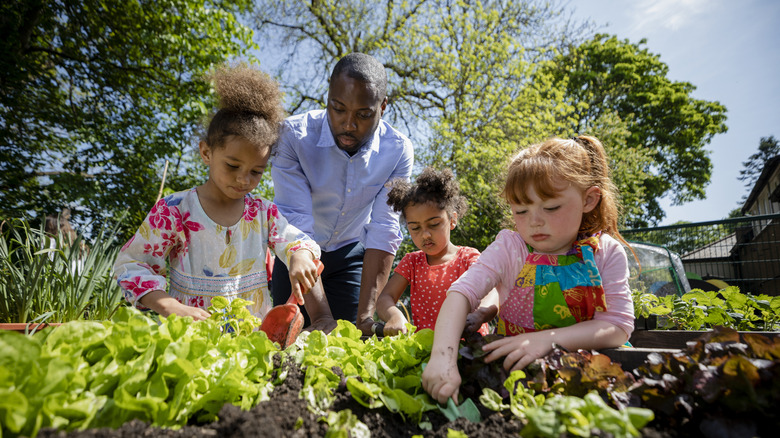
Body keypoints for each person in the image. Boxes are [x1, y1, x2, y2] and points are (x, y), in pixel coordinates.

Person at [422, 135, 635, 404]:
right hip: (517, 379)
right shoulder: (510, 248)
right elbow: (461, 293)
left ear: (589, 200)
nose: (534, 222)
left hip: (589, 379)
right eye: (521, 211)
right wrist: (443, 357)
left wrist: (547, 340)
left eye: (551, 207)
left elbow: (617, 326)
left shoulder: (605, 252)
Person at [114, 63, 323, 321]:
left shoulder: (263, 213)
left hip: (251, 344)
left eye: (256, 171)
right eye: (232, 165)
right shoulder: (173, 210)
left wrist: (299, 255)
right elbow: (132, 265)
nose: (243, 179)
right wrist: (171, 307)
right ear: (206, 152)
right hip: (190, 342)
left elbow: (295, 240)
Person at [271, 52, 414, 335]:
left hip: (351, 256)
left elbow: (384, 229)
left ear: (383, 107)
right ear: (328, 97)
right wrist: (321, 315)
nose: (349, 124)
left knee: (352, 339)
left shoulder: (398, 150)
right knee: (285, 345)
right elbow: (296, 221)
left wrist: (365, 318)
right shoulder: (292, 136)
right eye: (338, 109)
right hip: (296, 254)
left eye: (363, 115)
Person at [372, 167, 498, 336]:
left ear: (452, 220)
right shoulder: (412, 262)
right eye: (415, 228)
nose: (425, 234)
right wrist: (395, 316)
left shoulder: (468, 258)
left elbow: (492, 294)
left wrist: (479, 314)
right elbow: (384, 300)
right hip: (427, 353)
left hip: (468, 348)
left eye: (433, 224)